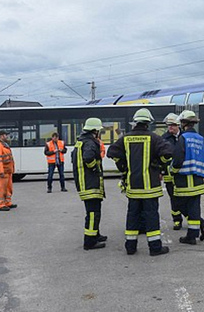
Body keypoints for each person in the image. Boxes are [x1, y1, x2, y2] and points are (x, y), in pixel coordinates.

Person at [107, 108, 173, 256]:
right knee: (151, 217)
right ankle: (155, 248)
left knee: (133, 216)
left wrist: (123, 166)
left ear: (135, 123)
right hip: (150, 188)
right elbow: (168, 153)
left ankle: (130, 247)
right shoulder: (154, 138)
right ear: (148, 123)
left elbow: (111, 152)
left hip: (133, 187)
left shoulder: (125, 138)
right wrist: (159, 165)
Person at [170, 110, 204, 245]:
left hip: (184, 180)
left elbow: (177, 161)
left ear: (183, 123)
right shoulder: (200, 138)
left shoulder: (183, 138)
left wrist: (172, 171)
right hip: (198, 180)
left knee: (178, 205)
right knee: (194, 208)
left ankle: (200, 228)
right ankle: (195, 233)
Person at [72, 118, 107, 250]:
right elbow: (88, 158)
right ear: (95, 131)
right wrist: (95, 169)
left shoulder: (81, 141)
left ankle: (95, 234)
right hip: (89, 183)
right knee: (93, 213)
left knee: (94, 210)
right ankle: (90, 241)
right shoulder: (90, 143)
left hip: (85, 182)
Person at [161, 113, 184, 230]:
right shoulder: (164, 138)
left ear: (178, 126)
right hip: (169, 175)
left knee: (184, 198)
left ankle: (190, 217)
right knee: (173, 198)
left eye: (173, 125)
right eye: (169, 125)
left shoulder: (184, 137)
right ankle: (177, 220)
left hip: (183, 173)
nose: (170, 128)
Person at [0, 130, 17, 211]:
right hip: (3, 172)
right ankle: (1, 204)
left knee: (8, 188)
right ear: (1, 136)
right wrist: (0, 172)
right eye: (6, 135)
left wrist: (12, 169)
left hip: (8, 171)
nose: (7, 137)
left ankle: (7, 202)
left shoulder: (4, 145)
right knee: (2, 188)